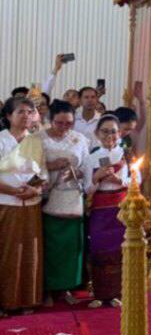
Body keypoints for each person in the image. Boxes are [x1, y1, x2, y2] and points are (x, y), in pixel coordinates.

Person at [0, 97, 46, 315]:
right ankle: (5, 302)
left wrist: (35, 190)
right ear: (9, 116)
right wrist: (14, 192)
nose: (26, 115)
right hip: (6, 204)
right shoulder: (1, 140)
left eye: (30, 111)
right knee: (7, 252)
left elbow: (42, 174)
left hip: (31, 205)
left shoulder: (35, 141)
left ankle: (27, 300)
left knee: (29, 252)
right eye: (21, 111)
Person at [41, 100, 88, 305]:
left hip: (72, 198)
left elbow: (87, 167)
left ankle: (67, 287)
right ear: (50, 120)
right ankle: (47, 289)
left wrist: (77, 172)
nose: (64, 127)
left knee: (70, 246)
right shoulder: (38, 138)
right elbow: (29, 167)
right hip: (47, 198)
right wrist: (50, 166)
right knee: (50, 246)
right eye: (59, 123)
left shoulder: (80, 139)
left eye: (69, 123)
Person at [83, 114, 129, 308]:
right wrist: (97, 178)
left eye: (113, 131)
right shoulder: (91, 158)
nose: (109, 135)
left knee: (120, 251)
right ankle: (100, 294)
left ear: (120, 134)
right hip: (100, 209)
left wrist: (119, 181)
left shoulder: (127, 155)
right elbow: (87, 188)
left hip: (121, 208)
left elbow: (137, 180)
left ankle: (118, 293)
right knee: (99, 250)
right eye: (105, 131)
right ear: (97, 133)